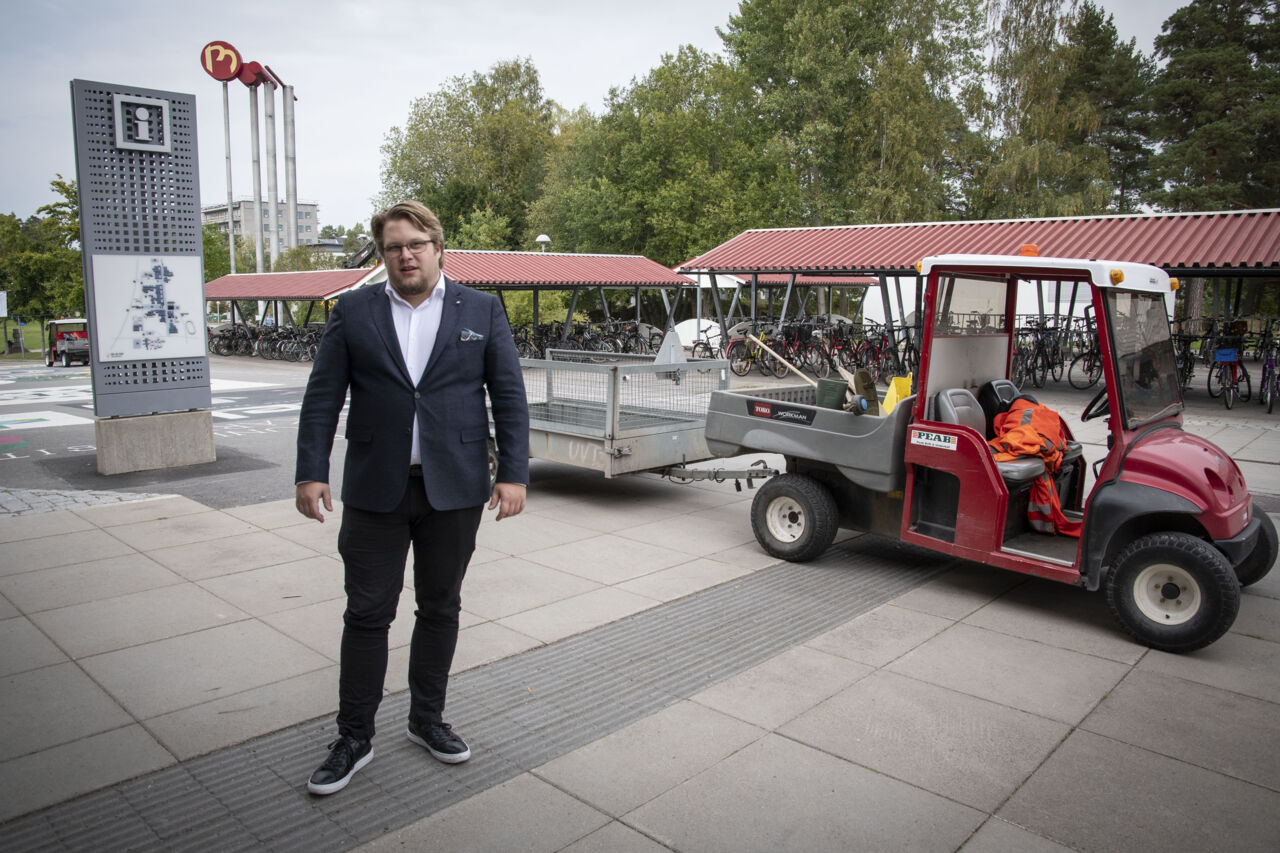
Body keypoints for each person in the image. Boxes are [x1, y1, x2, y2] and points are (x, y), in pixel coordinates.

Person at [294, 200, 529, 796]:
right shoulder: (353, 311)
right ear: (382, 253)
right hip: (377, 488)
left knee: (441, 608)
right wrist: (310, 470)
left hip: (455, 487)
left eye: (416, 244)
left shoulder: (481, 309)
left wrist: (515, 474)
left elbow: (509, 396)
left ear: (437, 247)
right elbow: (323, 398)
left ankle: (427, 720)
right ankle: (354, 736)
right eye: (394, 246)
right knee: (367, 612)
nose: (405, 255)